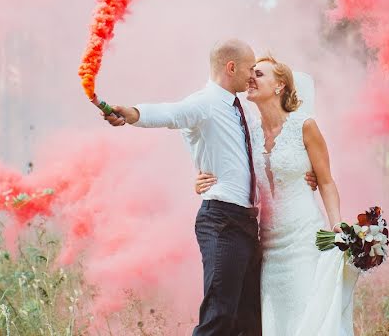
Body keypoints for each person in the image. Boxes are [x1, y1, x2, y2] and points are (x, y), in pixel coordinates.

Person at [102, 39, 316, 335]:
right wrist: (131, 113)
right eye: (249, 68)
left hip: (246, 224)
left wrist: (305, 174)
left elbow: (258, 158)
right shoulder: (205, 102)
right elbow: (170, 114)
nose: (252, 75)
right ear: (231, 67)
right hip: (222, 221)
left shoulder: (239, 108)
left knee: (250, 320)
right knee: (220, 315)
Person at [196, 56, 358, 335]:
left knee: (307, 314)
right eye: (251, 74)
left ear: (280, 85)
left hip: (304, 236)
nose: (250, 79)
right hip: (268, 243)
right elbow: (227, 166)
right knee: (277, 322)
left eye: (258, 74)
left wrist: (336, 225)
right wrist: (203, 178)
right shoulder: (248, 132)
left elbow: (326, 181)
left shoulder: (304, 126)